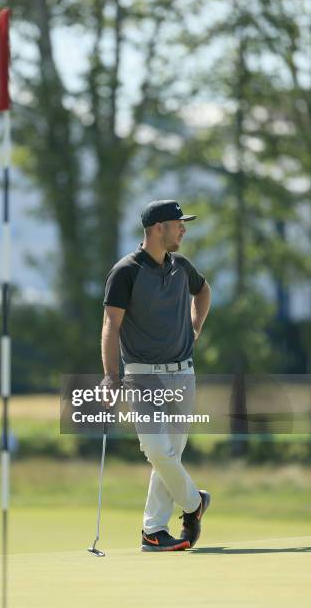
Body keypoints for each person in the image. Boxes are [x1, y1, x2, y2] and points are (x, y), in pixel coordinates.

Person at [101, 199, 211, 552]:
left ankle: (153, 531)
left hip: (183, 374)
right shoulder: (126, 271)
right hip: (142, 376)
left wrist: (195, 327)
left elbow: (203, 291)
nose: (184, 229)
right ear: (158, 228)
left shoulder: (182, 266)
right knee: (156, 450)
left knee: (169, 458)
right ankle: (194, 503)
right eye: (179, 223)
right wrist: (110, 376)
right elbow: (110, 325)